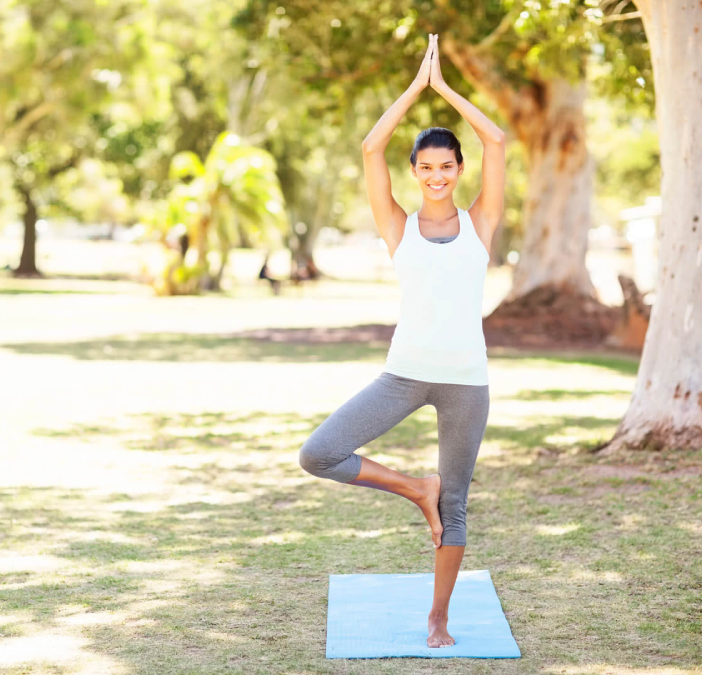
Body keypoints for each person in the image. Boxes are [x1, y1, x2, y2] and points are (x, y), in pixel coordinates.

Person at [298, 33, 505, 649]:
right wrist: (415, 87)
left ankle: (439, 617)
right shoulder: (398, 226)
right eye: (427, 167)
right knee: (319, 453)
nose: (437, 176)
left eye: (447, 166)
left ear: (459, 171)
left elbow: (496, 138)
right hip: (404, 374)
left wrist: (446, 88)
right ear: (413, 172)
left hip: (467, 380)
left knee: (460, 504)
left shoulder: (481, 223)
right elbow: (369, 146)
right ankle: (417, 489)